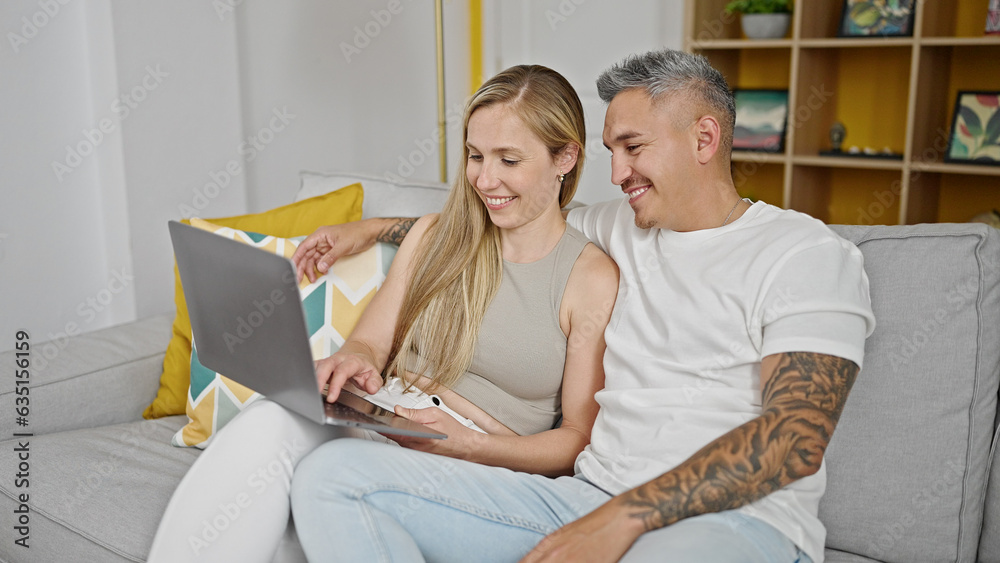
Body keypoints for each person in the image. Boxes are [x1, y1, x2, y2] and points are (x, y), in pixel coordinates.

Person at [289, 48, 876, 563]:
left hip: (735, 521)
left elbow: (797, 436)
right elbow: (501, 216)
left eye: (634, 148)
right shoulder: (621, 224)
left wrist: (625, 518)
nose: (617, 173)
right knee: (331, 477)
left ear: (704, 138)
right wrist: (367, 229)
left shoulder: (804, 254)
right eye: (611, 150)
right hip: (579, 499)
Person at [146, 64, 618, 562]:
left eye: (509, 160)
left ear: (565, 157)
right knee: (269, 419)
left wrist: (465, 445)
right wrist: (354, 362)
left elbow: (575, 443)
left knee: (320, 481)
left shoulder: (587, 277)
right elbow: (369, 344)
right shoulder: (436, 237)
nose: (484, 178)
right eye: (475, 155)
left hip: (479, 455)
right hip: (389, 418)